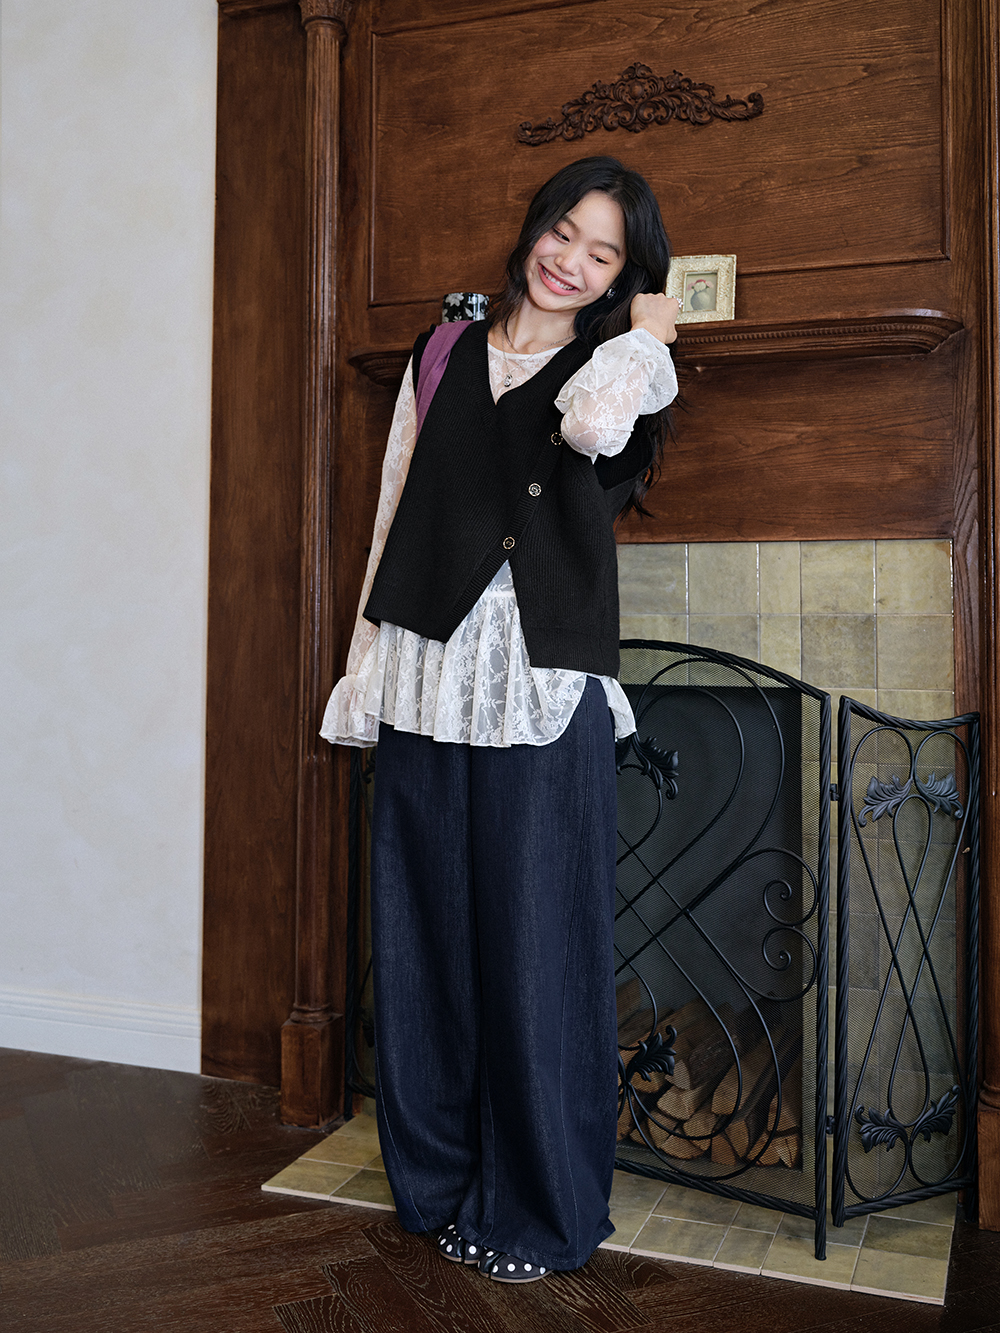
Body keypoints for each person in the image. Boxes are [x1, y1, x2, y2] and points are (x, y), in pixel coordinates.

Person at [321, 155, 680, 1283]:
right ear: (534, 226)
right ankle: (435, 1184)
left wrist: (645, 334)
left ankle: (537, 1212)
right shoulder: (438, 351)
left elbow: (588, 430)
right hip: (425, 672)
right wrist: (365, 668)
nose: (570, 260)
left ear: (625, 277)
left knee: (538, 958)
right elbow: (394, 507)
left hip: (538, 690)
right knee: (423, 945)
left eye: (603, 253)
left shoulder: (617, 375)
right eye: (563, 231)